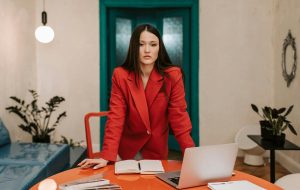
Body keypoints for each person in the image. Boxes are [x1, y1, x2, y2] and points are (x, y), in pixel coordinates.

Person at [78, 24, 195, 169]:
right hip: (127, 149)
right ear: (134, 47)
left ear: (160, 48)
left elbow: (179, 117)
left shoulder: (173, 75)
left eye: (153, 44)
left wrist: (191, 155)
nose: (147, 50)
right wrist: (107, 155)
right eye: (141, 44)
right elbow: (116, 116)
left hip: (156, 150)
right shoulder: (120, 75)